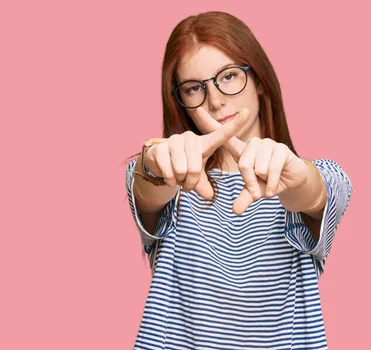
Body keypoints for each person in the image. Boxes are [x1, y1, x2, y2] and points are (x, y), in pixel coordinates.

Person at [125, 11, 353, 350]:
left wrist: (294, 176)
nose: (215, 100)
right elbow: (148, 183)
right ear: (182, 102)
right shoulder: (170, 177)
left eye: (229, 76)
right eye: (194, 88)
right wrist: (156, 163)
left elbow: (313, 190)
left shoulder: (316, 175)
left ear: (259, 79)